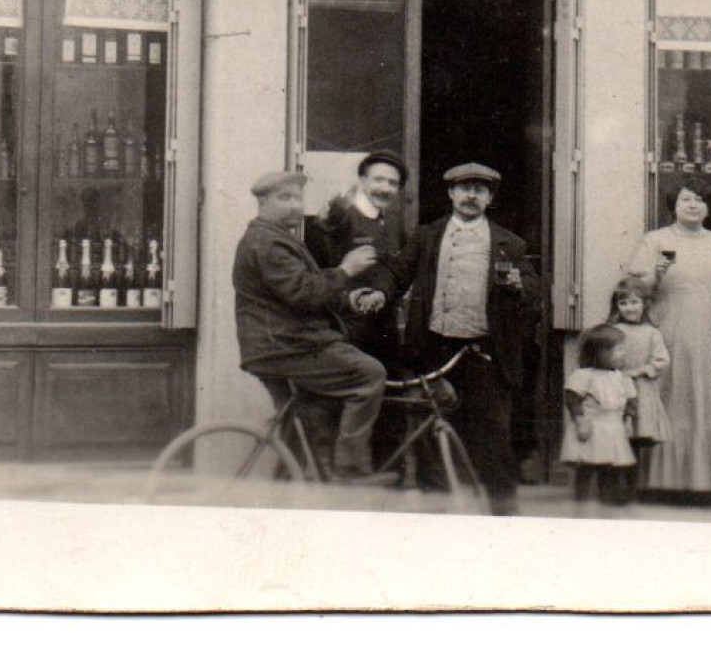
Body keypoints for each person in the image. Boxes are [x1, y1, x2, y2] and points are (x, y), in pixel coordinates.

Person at [381, 162, 542, 515]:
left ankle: (503, 513)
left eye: (480, 190)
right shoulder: (427, 236)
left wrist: (520, 284)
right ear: (451, 193)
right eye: (464, 188)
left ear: (490, 198)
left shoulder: (509, 243)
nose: (471, 196)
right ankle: (436, 510)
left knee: (492, 434)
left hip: (482, 349)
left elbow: (534, 288)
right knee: (431, 427)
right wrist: (377, 293)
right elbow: (397, 273)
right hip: (434, 346)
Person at [231, 170, 389, 482]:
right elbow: (303, 293)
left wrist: (347, 299)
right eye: (284, 197)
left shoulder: (277, 239)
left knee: (305, 416)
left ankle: (284, 487)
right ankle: (350, 469)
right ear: (262, 202)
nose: (294, 205)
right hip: (286, 345)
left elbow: (305, 288)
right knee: (370, 374)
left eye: (298, 198)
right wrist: (346, 270)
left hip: (276, 345)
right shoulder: (267, 243)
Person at [627, 178, 711, 494]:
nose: (693, 205)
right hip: (666, 330)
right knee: (667, 398)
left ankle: (701, 482)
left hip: (707, 333)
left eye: (700, 200)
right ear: (674, 205)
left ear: (709, 208)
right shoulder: (655, 240)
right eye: (686, 200)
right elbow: (635, 290)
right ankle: (659, 482)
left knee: (701, 399)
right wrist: (657, 273)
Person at [304, 150, 410, 362]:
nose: (385, 188)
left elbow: (398, 269)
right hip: (345, 326)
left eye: (392, 183)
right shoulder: (340, 217)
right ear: (362, 180)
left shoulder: (393, 222)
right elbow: (316, 271)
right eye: (378, 180)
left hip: (384, 327)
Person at [561, 324, 639, 507]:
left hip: (613, 428)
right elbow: (572, 399)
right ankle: (581, 502)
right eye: (617, 349)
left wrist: (628, 421)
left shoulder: (622, 377)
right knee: (587, 465)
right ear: (599, 352)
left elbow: (631, 401)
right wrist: (579, 420)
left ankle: (608, 503)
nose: (623, 353)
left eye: (623, 348)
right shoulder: (584, 376)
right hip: (592, 426)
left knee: (611, 466)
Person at [605, 276, 671, 491]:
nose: (629, 308)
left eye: (634, 302)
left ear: (644, 304)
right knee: (615, 437)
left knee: (635, 440)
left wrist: (642, 370)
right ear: (616, 306)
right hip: (616, 388)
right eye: (623, 303)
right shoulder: (612, 331)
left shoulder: (651, 333)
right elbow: (600, 355)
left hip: (642, 390)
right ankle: (612, 488)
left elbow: (660, 360)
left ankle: (631, 489)